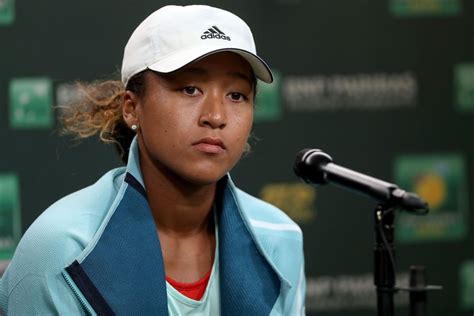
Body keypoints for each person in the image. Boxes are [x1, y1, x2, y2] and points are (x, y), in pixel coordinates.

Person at [0, 5, 305, 315]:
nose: (216, 116)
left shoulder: (280, 239)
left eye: (237, 95)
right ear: (132, 108)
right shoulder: (60, 247)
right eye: (190, 89)